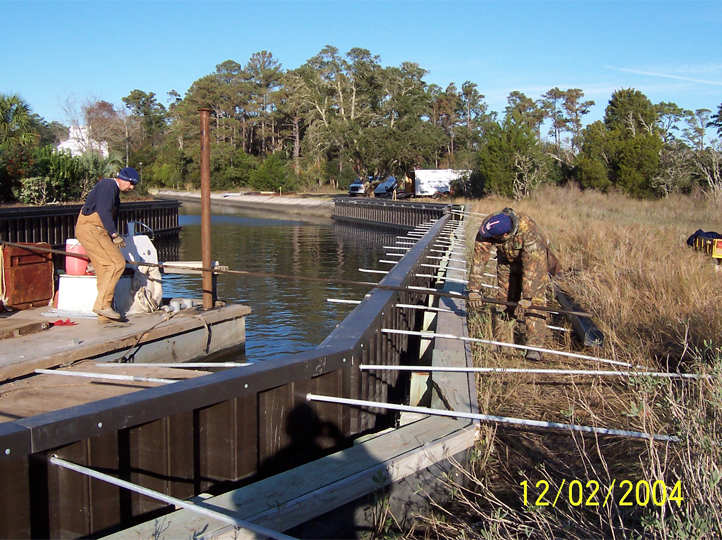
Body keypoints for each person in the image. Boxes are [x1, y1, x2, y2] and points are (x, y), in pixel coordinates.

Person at [467, 207, 558, 361]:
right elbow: (479, 258)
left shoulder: (528, 230)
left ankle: (534, 346)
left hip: (534, 262)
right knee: (504, 299)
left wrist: (528, 297)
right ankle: (503, 342)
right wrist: (474, 289)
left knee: (535, 302)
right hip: (506, 261)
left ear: (504, 234)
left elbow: (532, 268)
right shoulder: (488, 226)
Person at [75, 167, 139, 321]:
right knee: (116, 264)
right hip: (92, 228)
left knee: (104, 268)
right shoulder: (109, 186)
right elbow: (103, 211)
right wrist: (114, 234)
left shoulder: (113, 191)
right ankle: (101, 305)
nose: (132, 187)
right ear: (123, 178)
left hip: (92, 230)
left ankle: (104, 315)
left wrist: (111, 235)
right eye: (131, 183)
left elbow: (109, 214)